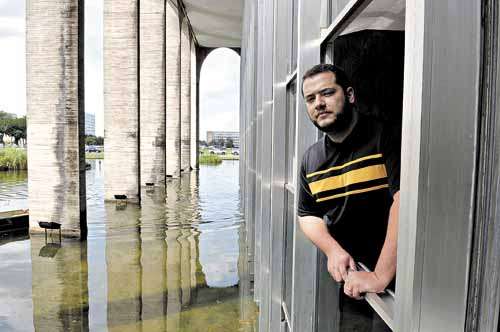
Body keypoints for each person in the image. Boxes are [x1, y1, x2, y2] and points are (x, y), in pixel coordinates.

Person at [298, 64, 400, 330]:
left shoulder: (386, 136)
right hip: (352, 283)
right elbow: (307, 215)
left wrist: (380, 275)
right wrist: (332, 250)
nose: (318, 103)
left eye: (327, 93)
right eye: (310, 99)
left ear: (350, 95)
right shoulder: (311, 158)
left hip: (398, 285)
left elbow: (407, 203)